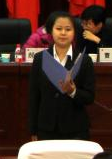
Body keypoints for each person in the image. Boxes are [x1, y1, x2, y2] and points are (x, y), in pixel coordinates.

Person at [28, 11, 96, 141]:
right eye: (59, 29)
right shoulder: (40, 59)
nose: (63, 33)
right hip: (46, 129)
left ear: (74, 32)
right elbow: (34, 97)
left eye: (68, 29)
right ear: (51, 30)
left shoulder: (84, 60)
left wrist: (73, 92)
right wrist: (33, 130)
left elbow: (90, 97)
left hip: (76, 129)